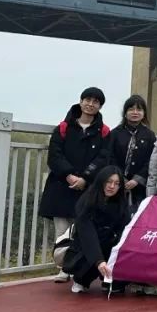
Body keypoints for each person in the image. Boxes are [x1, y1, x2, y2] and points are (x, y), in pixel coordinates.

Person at [41, 87, 110, 282]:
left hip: (87, 188)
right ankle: (63, 268)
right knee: (61, 230)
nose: (90, 104)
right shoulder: (63, 128)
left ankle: (78, 267)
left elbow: (103, 158)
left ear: (100, 106)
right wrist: (69, 175)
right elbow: (54, 156)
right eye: (87, 100)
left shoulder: (104, 132)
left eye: (96, 102)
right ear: (80, 101)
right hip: (61, 187)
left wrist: (85, 178)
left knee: (83, 229)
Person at [64, 166, 129, 294]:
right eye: (108, 182)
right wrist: (99, 261)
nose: (112, 186)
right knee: (87, 257)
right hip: (85, 245)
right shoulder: (86, 200)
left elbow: (124, 230)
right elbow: (87, 233)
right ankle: (80, 279)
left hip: (109, 244)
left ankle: (111, 280)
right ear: (101, 181)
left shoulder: (121, 203)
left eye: (116, 183)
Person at [109, 94, 154, 211]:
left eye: (139, 109)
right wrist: (120, 177)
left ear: (144, 113)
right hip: (116, 182)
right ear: (125, 113)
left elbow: (151, 159)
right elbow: (110, 156)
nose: (135, 112)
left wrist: (137, 179)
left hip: (140, 186)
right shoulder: (115, 133)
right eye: (131, 109)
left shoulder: (149, 135)